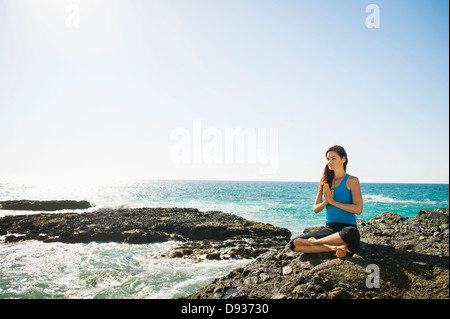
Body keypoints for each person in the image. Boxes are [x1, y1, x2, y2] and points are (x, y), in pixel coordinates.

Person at [289, 145, 363, 258]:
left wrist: (333, 202)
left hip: (346, 229)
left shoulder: (352, 180)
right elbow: (316, 209)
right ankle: (334, 248)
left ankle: (315, 243)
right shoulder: (325, 181)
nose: (330, 162)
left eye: (334, 158)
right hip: (329, 229)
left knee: (351, 233)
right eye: (328, 159)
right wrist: (326, 202)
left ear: (344, 159)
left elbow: (358, 209)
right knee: (293, 244)